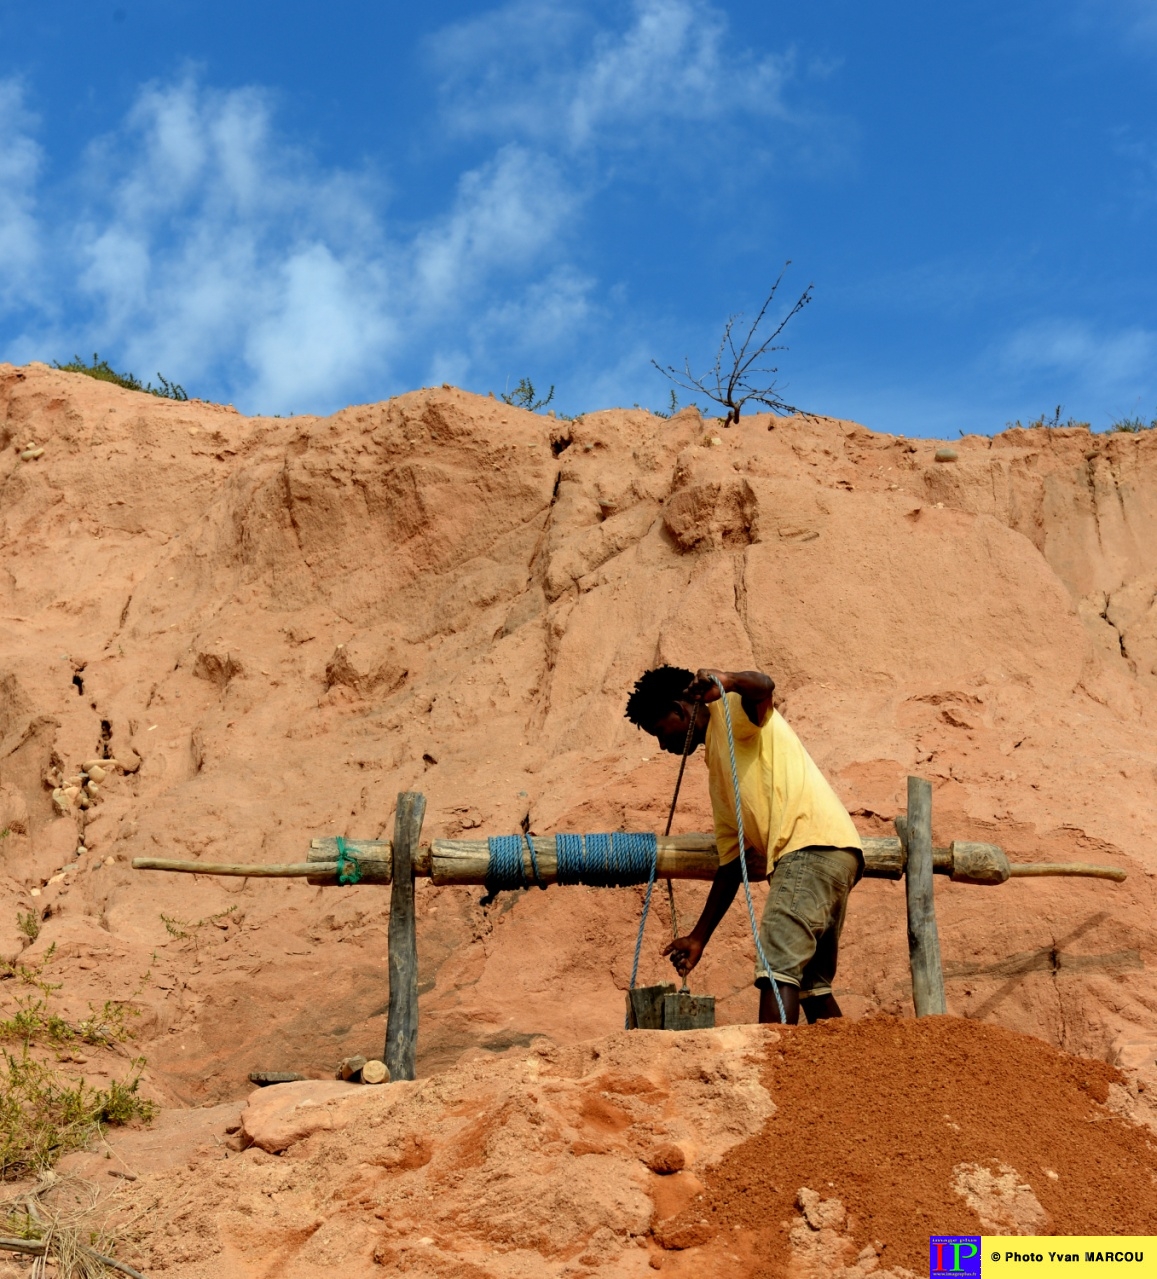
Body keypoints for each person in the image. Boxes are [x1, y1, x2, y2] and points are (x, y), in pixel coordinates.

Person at [624, 665, 862, 1025]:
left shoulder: (731, 711)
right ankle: (851, 1069)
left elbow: (764, 687)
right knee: (811, 985)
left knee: (777, 967)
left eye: (660, 731)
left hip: (807, 848)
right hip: (835, 851)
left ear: (679, 710)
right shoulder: (718, 767)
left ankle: (773, 1071)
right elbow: (731, 863)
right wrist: (698, 938)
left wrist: (729, 681)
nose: (662, 745)